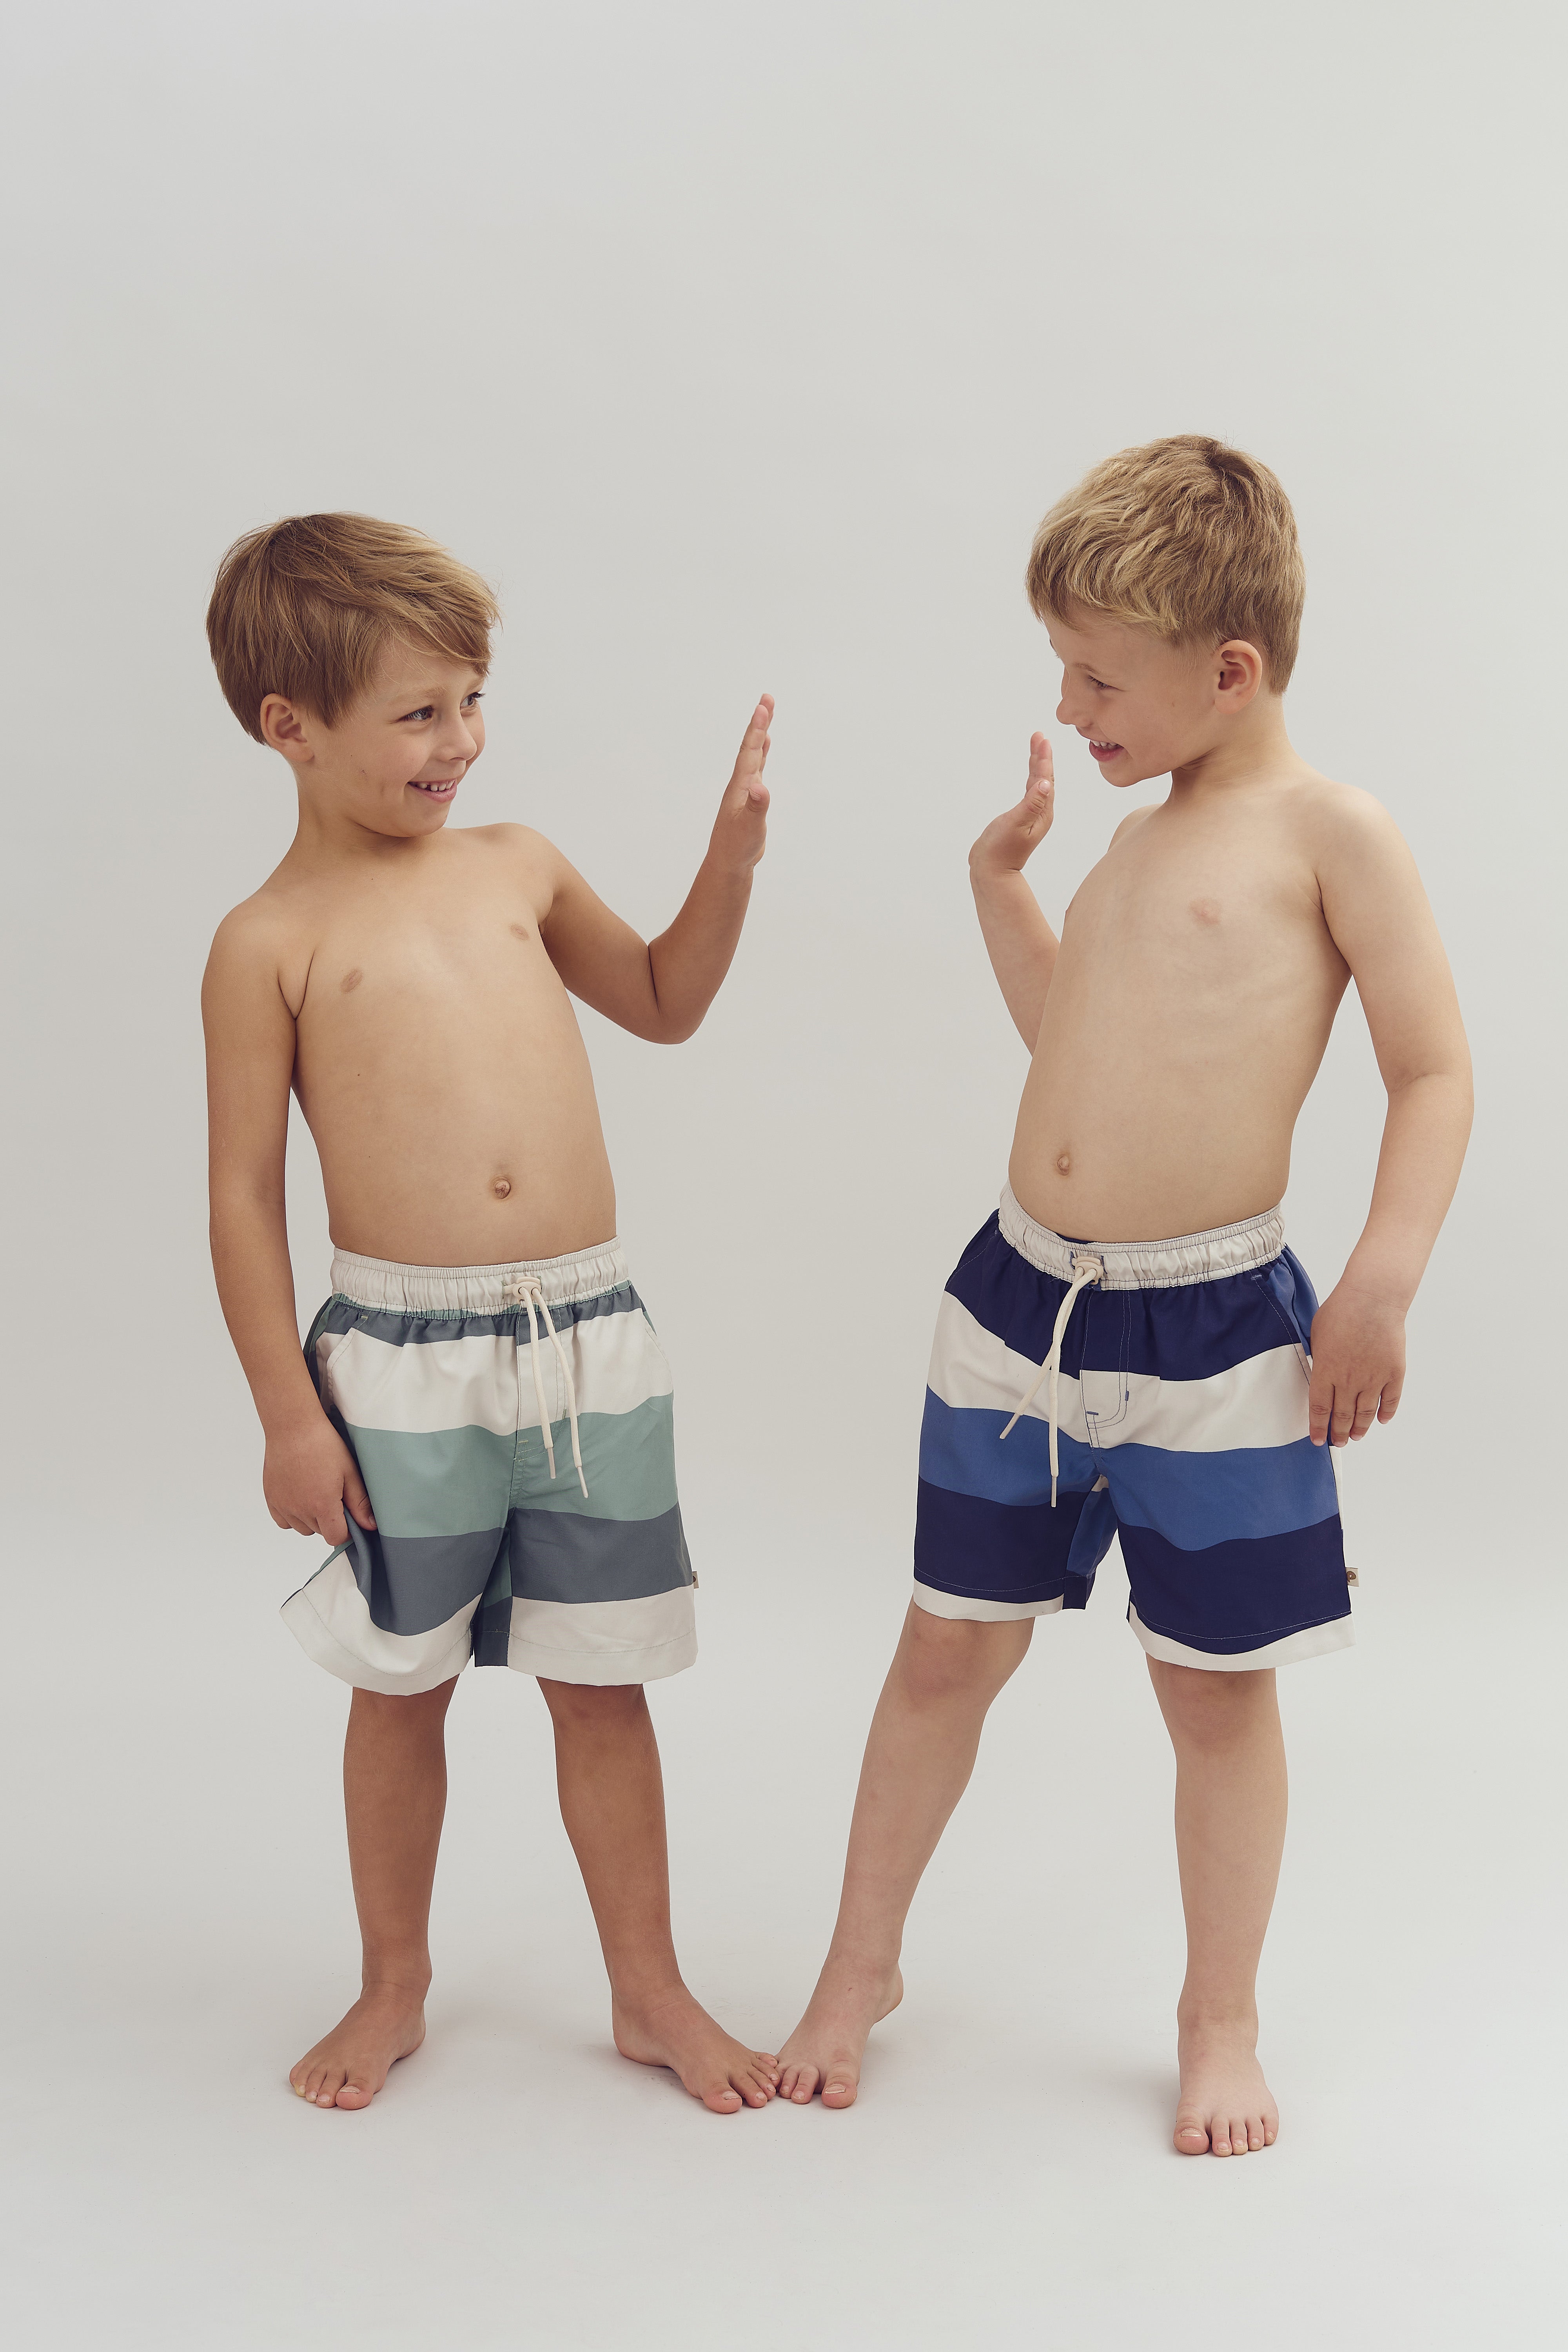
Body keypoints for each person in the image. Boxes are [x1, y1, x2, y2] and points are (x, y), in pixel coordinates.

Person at [776, 436, 1472, 2155]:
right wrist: (1000, 888)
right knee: (944, 1649)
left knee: (1215, 1687)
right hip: (1018, 1303)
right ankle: (859, 1966)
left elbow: (1435, 1071)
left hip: (1212, 1335)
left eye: (1100, 676)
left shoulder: (1330, 834)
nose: (1070, 705)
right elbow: (1070, 1044)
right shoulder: (1127, 851)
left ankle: (1217, 2017)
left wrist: (1378, 1282)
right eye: (1064, 668)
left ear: (1228, 672)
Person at [202, 512, 780, 2115]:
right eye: (417, 713)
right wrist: (285, 1413)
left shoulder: (519, 867)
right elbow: (243, 1197)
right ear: (288, 728)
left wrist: (724, 865)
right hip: (398, 1360)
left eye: (471, 700)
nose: (459, 742)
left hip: (588, 1339)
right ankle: (394, 1983)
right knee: (403, 1687)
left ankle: (649, 1990)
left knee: (606, 1678)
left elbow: (665, 1001)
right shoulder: (269, 943)